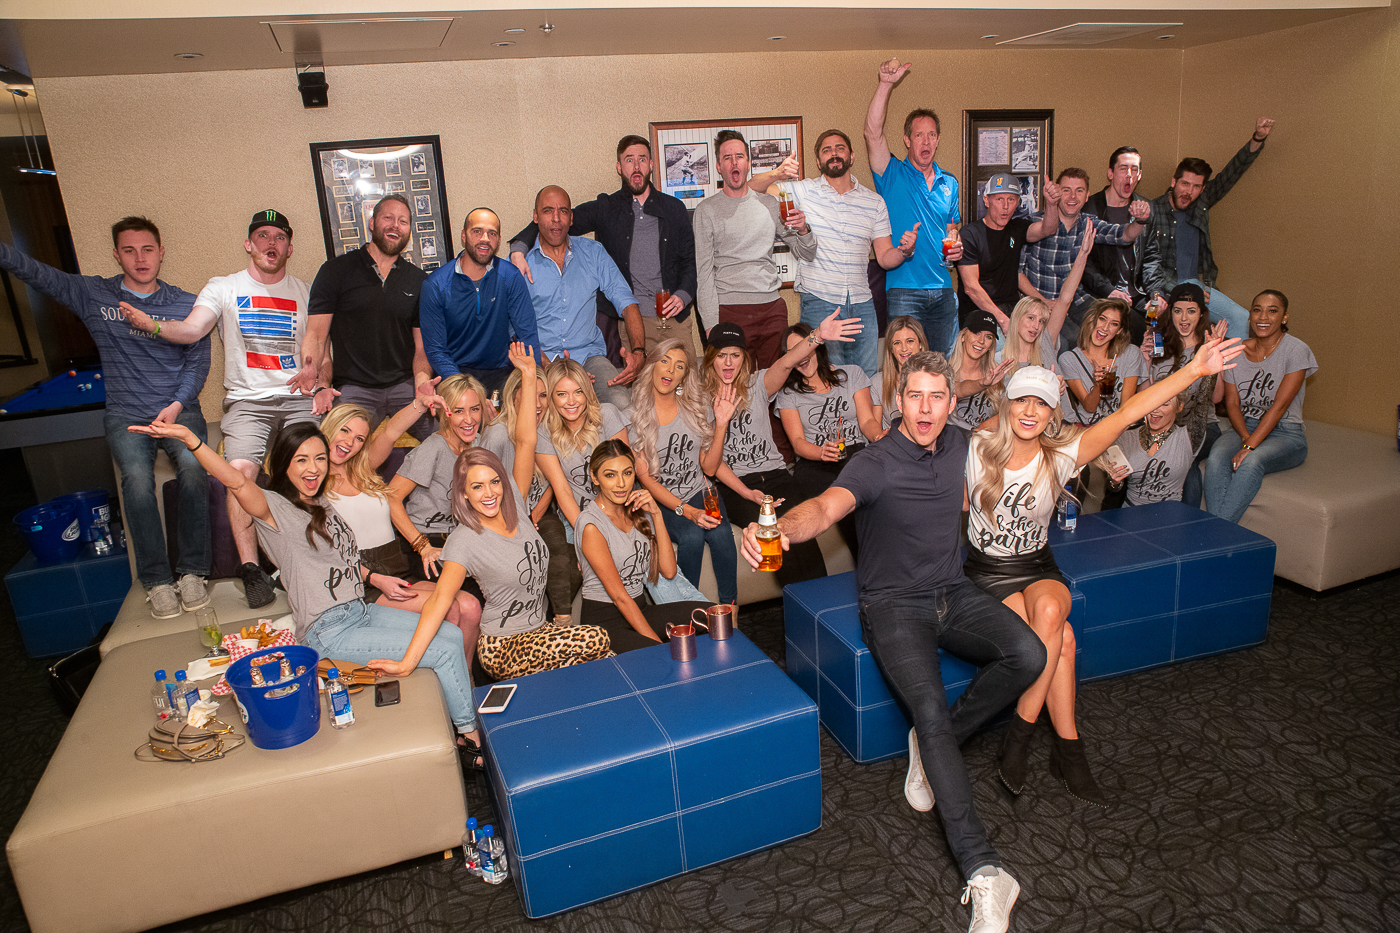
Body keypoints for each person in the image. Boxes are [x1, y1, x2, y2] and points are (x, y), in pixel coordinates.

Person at [739, 350, 1046, 933]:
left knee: (1030, 654)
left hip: (953, 592)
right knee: (928, 707)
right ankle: (985, 873)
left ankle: (934, 748)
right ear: (896, 402)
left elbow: (1035, 427)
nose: (925, 408)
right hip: (893, 606)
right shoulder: (874, 463)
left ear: (951, 403)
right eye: (915, 396)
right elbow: (824, 509)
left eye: (937, 396)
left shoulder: (962, 443)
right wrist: (771, 528)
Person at [964, 340, 1240, 806]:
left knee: (1051, 609)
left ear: (1053, 412)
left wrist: (1194, 370)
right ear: (1008, 403)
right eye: (1022, 400)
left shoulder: (1066, 451)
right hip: (988, 571)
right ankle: (1069, 748)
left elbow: (1132, 409)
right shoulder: (977, 445)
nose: (1030, 411)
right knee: (1062, 640)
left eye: (1042, 403)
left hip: (1036, 565)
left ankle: (1020, 734)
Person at [130, 418, 484, 752]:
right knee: (439, 649)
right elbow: (236, 482)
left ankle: (466, 718)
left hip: (360, 611)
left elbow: (339, 561)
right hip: (328, 630)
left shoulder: (322, 503)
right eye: (301, 460)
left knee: (450, 635)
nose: (312, 468)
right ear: (285, 464)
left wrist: (373, 577)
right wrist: (193, 441)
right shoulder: (274, 509)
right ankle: (472, 739)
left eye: (318, 458)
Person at [0, 217, 211, 619]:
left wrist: (178, 404)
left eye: (148, 249)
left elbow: (197, 365)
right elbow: (35, 272)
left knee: (194, 467)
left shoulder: (187, 304)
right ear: (117, 255)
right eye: (129, 251)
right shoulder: (95, 295)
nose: (140, 258)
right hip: (126, 413)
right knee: (135, 478)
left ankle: (193, 573)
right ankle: (157, 581)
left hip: (179, 410)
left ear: (161, 252)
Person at [119, 209, 311, 609]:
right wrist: (150, 324)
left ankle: (309, 558)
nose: (270, 243)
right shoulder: (224, 287)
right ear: (249, 244)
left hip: (298, 400)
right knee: (239, 472)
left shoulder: (305, 291)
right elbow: (191, 330)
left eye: (278, 237)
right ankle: (252, 570)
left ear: (289, 247)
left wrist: (322, 381)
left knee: (316, 465)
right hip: (247, 401)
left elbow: (320, 352)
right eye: (262, 236)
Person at [414, 446, 614, 681]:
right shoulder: (464, 539)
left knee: (609, 661)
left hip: (540, 633)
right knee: (597, 638)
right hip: (503, 647)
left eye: (494, 482)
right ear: (463, 492)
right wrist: (407, 663)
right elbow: (439, 600)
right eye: (477, 486)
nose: (489, 493)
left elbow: (526, 439)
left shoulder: (516, 507)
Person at [319, 390, 483, 664]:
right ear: (328, 430)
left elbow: (392, 430)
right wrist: (373, 577)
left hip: (395, 568)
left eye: (359, 438)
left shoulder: (363, 470)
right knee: (450, 609)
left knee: (471, 607)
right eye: (344, 431)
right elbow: (325, 554)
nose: (350, 442)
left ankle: (465, 681)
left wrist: (419, 403)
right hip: (361, 580)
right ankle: (442, 688)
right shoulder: (315, 484)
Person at [704, 311, 862, 588]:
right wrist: (721, 424)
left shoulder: (757, 384)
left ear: (745, 359)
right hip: (737, 485)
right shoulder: (698, 401)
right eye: (721, 355)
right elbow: (711, 466)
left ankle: (820, 618)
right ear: (710, 358)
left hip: (777, 475)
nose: (728, 362)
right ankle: (800, 623)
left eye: (735, 355)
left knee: (806, 542)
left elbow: (788, 360)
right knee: (776, 547)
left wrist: (818, 336)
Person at [747, 128, 917, 375]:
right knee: (825, 378)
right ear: (818, 161)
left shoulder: (874, 202)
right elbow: (751, 189)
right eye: (826, 150)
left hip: (862, 305)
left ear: (852, 156)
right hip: (819, 300)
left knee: (865, 379)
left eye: (840, 148)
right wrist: (777, 173)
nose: (834, 154)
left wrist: (905, 251)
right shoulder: (802, 191)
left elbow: (884, 257)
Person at [509, 135, 697, 356]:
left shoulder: (674, 208)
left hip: (675, 319)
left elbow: (690, 261)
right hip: (633, 325)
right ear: (619, 167)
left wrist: (684, 294)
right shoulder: (606, 207)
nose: (636, 166)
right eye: (629, 160)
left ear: (651, 165)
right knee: (640, 390)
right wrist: (519, 249)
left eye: (642, 159)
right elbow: (555, 221)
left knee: (686, 387)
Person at [291, 194, 433, 440]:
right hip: (355, 390)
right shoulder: (335, 271)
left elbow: (422, 349)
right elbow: (316, 334)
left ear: (409, 231)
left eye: (403, 221)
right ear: (372, 222)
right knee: (338, 446)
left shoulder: (419, 280)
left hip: (404, 387)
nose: (395, 226)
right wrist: (312, 369)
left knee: (445, 439)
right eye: (387, 218)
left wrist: (422, 381)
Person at [863, 57, 964, 356]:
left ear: (938, 140)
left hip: (944, 290)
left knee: (943, 366)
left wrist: (954, 250)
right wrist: (885, 85)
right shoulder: (891, 173)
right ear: (907, 139)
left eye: (931, 134)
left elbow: (951, 230)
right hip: (904, 291)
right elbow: (872, 133)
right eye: (919, 134)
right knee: (907, 368)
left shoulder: (950, 183)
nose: (926, 141)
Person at [1140, 118, 1276, 339]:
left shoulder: (1200, 204)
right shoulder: (1152, 212)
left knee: (1240, 317)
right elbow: (1147, 266)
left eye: (1196, 187)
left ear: (1202, 189)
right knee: (1151, 325)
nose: (1188, 192)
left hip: (1197, 286)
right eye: (1185, 184)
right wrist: (1180, 292)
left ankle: (1234, 373)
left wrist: (1257, 138)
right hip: (1163, 288)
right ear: (1174, 182)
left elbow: (1230, 175)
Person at [693, 129, 817, 367]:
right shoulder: (706, 210)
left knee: (775, 383)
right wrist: (710, 323)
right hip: (730, 310)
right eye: (727, 158)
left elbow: (806, 253)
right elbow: (704, 272)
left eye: (739, 156)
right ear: (719, 166)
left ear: (748, 163)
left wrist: (803, 229)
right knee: (738, 389)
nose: (733, 162)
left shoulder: (771, 204)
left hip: (772, 308)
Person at [629, 339, 738, 605]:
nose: (670, 370)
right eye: (664, 361)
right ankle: (688, 609)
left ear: (683, 376)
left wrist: (721, 424)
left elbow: (709, 467)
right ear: (652, 365)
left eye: (679, 366)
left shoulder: (692, 409)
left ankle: (730, 613)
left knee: (723, 534)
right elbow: (645, 480)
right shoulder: (633, 417)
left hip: (699, 491)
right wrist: (687, 511)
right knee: (691, 536)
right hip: (662, 500)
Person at [576, 439, 708, 652]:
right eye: (610, 475)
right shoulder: (591, 524)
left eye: (627, 473)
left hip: (640, 609)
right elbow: (620, 598)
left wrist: (655, 513)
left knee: (713, 615)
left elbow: (669, 570)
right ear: (594, 477)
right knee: (665, 657)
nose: (621, 483)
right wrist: (659, 648)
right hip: (605, 623)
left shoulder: (637, 510)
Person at [1204, 289, 1315, 523]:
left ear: (1284, 317)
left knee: (1250, 461)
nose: (1263, 317)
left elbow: (1280, 405)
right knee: (1216, 457)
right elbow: (1232, 403)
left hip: (1286, 432)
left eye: (1272, 311)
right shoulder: (1238, 350)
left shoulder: (1296, 350)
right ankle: (1218, 536)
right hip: (1245, 427)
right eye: (1257, 310)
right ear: (1250, 316)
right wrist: (1246, 438)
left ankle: (1214, 533)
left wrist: (1250, 447)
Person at [773, 322, 882, 559]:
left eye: (805, 348)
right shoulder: (788, 393)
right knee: (843, 503)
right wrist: (822, 452)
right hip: (815, 464)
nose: (801, 358)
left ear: (817, 347)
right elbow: (798, 443)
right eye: (794, 352)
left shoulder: (851, 374)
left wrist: (880, 437)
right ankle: (868, 564)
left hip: (855, 453)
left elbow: (867, 422)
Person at [536, 357, 632, 623]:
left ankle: (695, 620)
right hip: (576, 518)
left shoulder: (608, 415)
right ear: (552, 398)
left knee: (637, 562)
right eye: (562, 394)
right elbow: (562, 492)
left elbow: (626, 477)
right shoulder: (545, 432)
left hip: (618, 509)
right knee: (578, 571)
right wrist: (587, 538)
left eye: (578, 391)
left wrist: (613, 529)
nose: (571, 401)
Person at [1020, 167, 1150, 351]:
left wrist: (1140, 220)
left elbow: (1124, 235)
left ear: (1087, 195)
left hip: (1077, 300)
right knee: (1074, 340)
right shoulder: (1034, 223)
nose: (1072, 197)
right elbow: (1017, 274)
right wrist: (1043, 301)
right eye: (1066, 190)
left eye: (1079, 191)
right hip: (1040, 302)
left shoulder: (1089, 223)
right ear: (1057, 192)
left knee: (1129, 322)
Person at [419, 207, 539, 395]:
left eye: (492, 233)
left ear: (498, 240)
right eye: (477, 231)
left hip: (502, 373)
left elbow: (528, 336)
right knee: (468, 416)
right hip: (455, 373)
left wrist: (536, 382)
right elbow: (436, 351)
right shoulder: (435, 285)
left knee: (520, 416)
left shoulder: (511, 277)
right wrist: (467, 392)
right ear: (464, 236)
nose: (485, 238)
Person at [386, 373, 490, 585]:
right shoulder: (434, 448)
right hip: (427, 540)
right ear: (445, 412)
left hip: (463, 539)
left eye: (475, 409)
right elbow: (391, 498)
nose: (469, 419)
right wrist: (423, 547)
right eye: (459, 411)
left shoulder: (481, 444)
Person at [1140, 282, 1228, 507]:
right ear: (1171, 313)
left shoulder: (1209, 346)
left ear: (1201, 314)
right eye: (1178, 310)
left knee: (1182, 461)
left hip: (1203, 427)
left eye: (1191, 311)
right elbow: (1145, 398)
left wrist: (1214, 354)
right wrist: (1145, 361)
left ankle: (1189, 527)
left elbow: (1217, 398)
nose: (1184, 318)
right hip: (1165, 425)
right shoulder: (1161, 345)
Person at [956, 173, 1061, 333]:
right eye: (999, 199)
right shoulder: (970, 234)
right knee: (1003, 347)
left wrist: (1052, 204)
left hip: (1013, 308)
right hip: (978, 310)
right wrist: (1003, 320)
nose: (1005, 206)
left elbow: (1048, 229)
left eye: (1011, 200)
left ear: (1017, 202)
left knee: (1046, 339)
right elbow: (971, 287)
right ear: (986, 200)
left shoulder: (1017, 228)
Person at [1082, 147, 1153, 339]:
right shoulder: (1090, 208)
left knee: (1166, 327)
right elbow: (1084, 264)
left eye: (1134, 169)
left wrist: (1157, 294)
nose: (1129, 175)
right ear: (1110, 173)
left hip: (1137, 295)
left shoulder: (1146, 209)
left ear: (1140, 175)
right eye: (1123, 169)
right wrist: (1109, 290)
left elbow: (1153, 258)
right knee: (1137, 329)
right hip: (1102, 294)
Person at [1102, 391, 1208, 507]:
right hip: (1131, 511)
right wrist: (1115, 482)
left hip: (1170, 512)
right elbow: (1112, 489)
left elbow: (1203, 399)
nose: (1155, 409)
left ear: (1179, 406)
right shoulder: (1126, 437)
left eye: (1165, 404)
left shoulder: (1187, 437)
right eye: (1152, 402)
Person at [1058, 298, 1147, 427]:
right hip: (1090, 428)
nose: (1105, 328)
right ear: (1093, 319)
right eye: (1102, 319)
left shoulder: (1131, 353)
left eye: (1114, 324)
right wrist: (1099, 384)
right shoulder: (1069, 359)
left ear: (1119, 331)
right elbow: (1089, 407)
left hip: (1120, 427)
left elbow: (1125, 407)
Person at [949, 310, 1013, 432]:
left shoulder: (999, 375)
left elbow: (1010, 413)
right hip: (952, 443)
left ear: (991, 345)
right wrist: (982, 384)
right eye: (976, 333)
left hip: (986, 443)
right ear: (963, 336)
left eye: (988, 337)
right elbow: (956, 389)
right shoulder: (944, 370)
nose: (981, 341)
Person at [877, 315, 928, 430]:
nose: (904, 348)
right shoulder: (878, 382)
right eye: (897, 343)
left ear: (920, 344)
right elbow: (874, 427)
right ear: (891, 348)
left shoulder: (935, 378)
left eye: (909, 341)